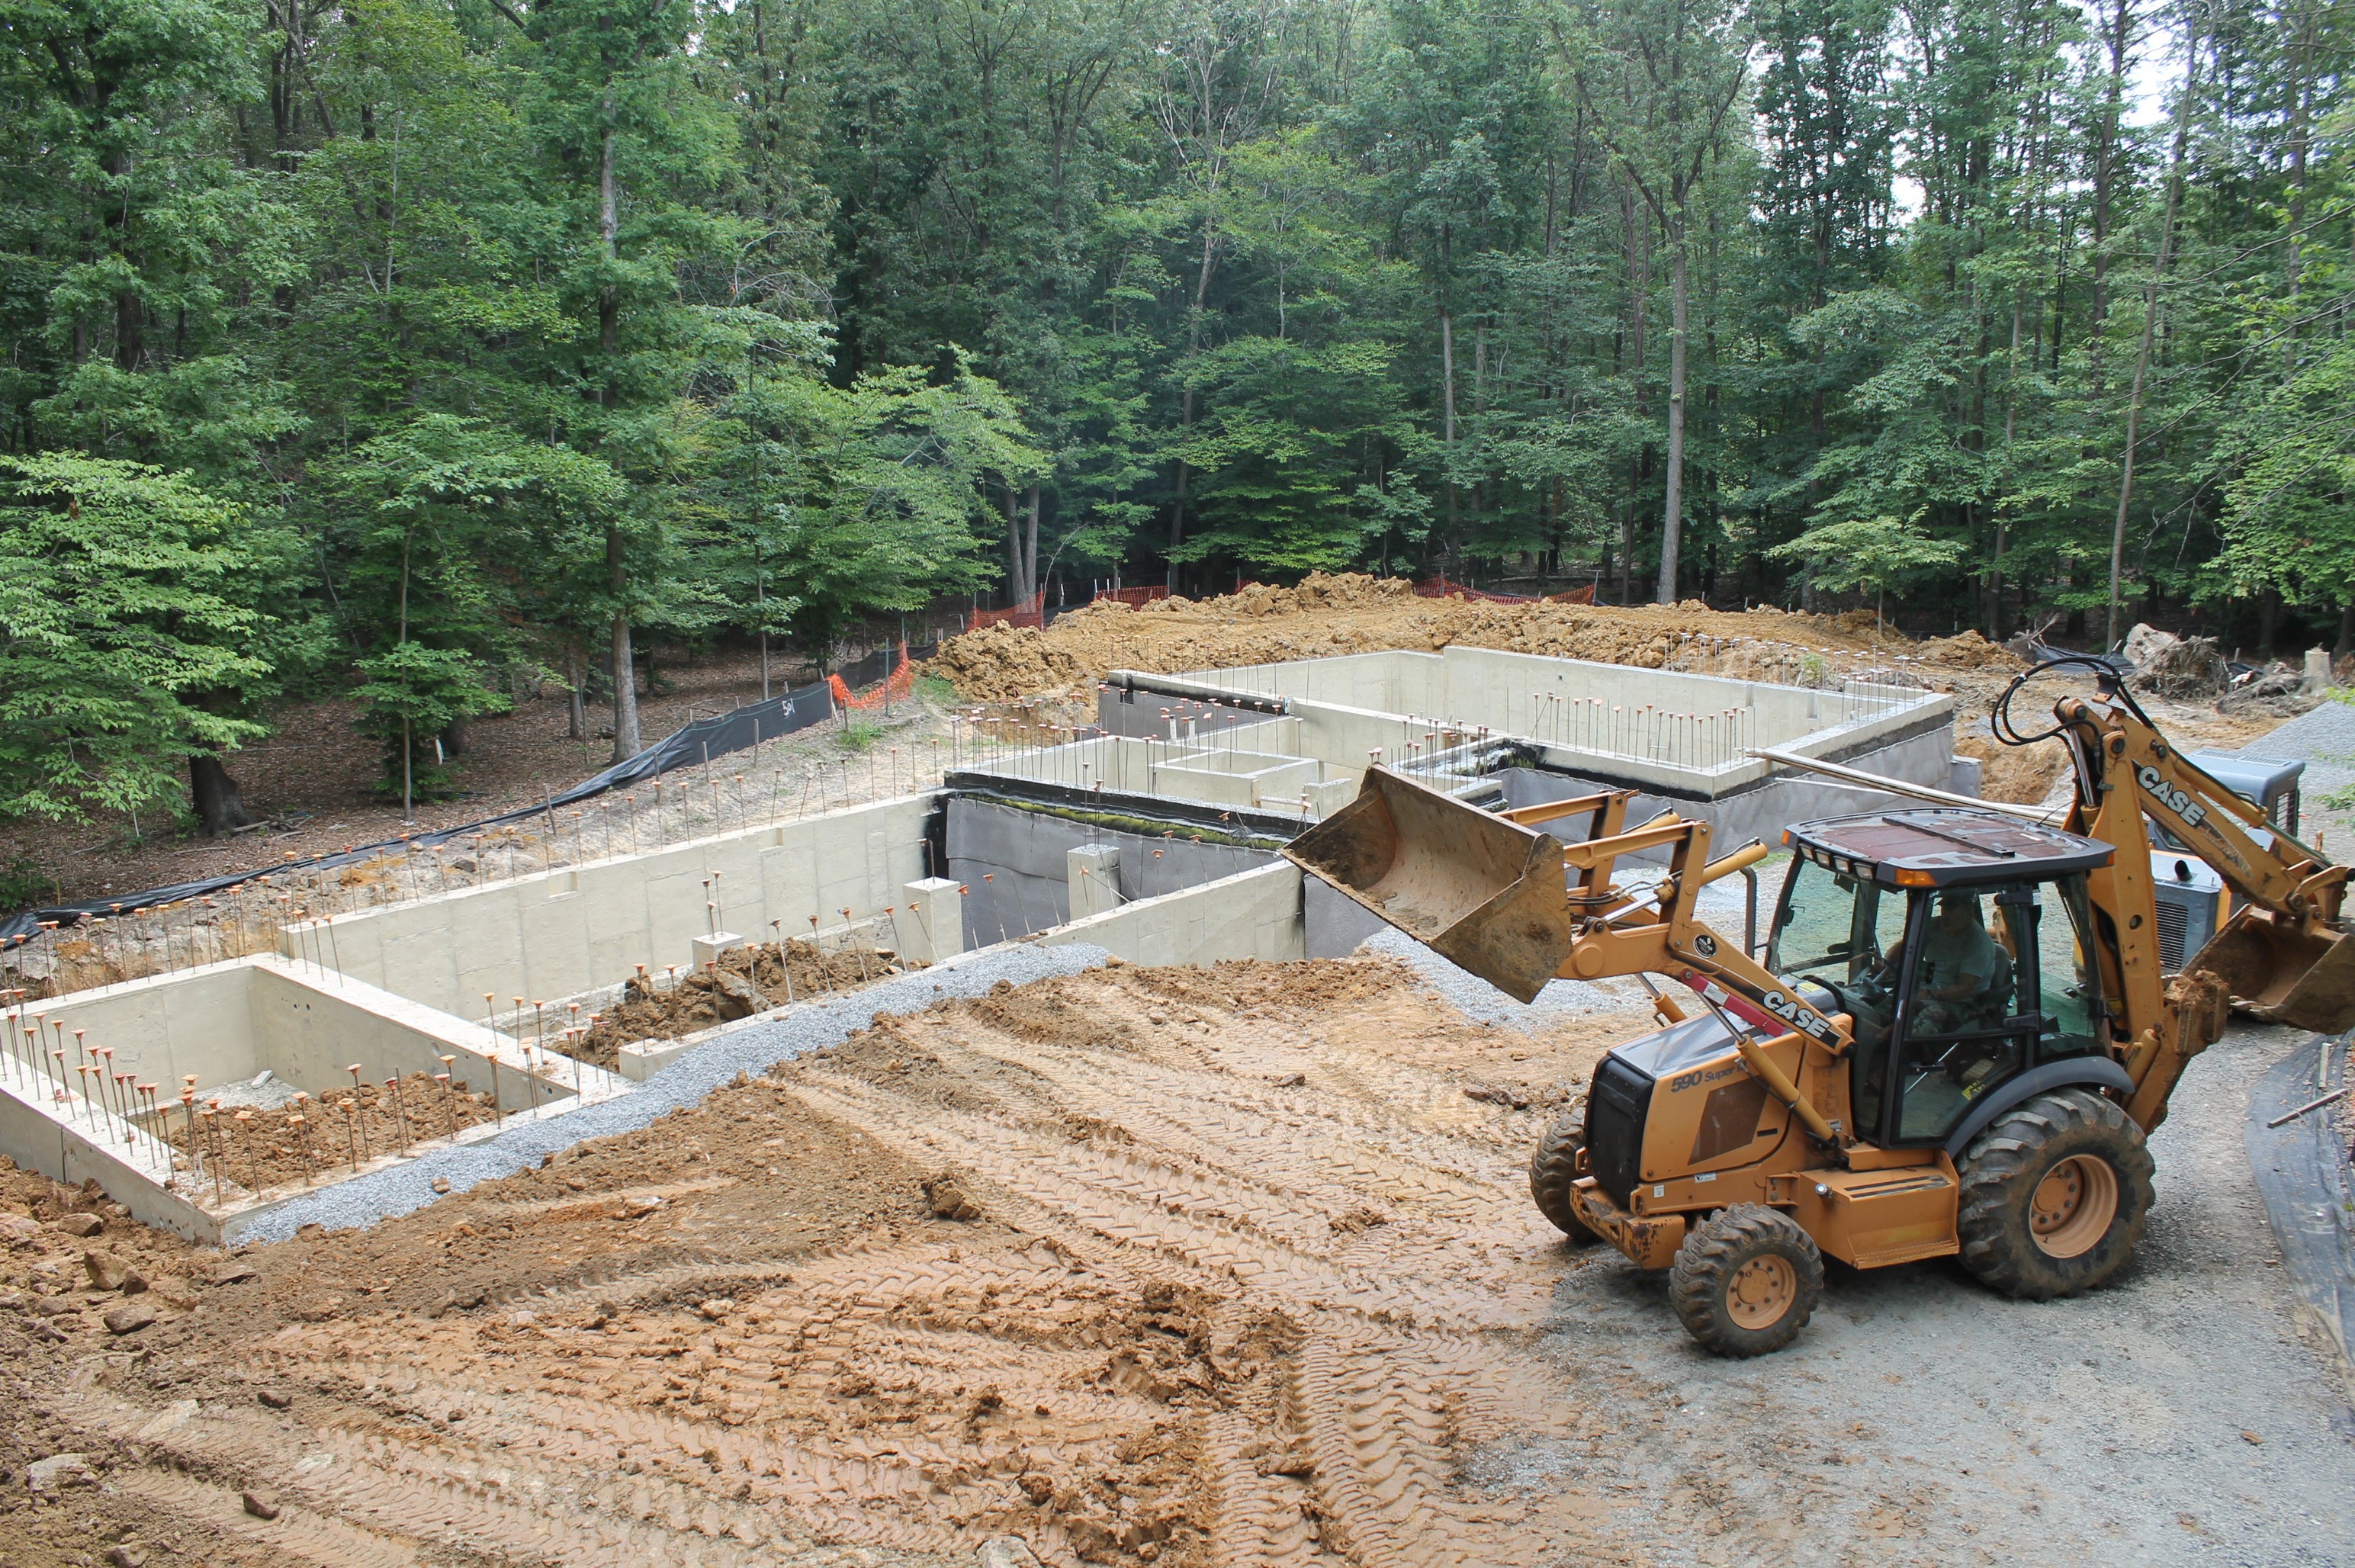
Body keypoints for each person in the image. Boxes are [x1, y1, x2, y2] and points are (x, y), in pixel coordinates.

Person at [1910, 893, 2007, 1033]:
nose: (1945, 915)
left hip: (1965, 1003)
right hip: (1930, 989)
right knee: (1891, 1001)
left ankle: (1907, 1049)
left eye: (1951, 910)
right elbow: (1905, 947)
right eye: (1944, 909)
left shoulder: (1978, 943)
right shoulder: (1934, 927)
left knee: (1930, 1016)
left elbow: (1964, 989)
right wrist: (1885, 964)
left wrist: (1931, 994)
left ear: (1967, 913)